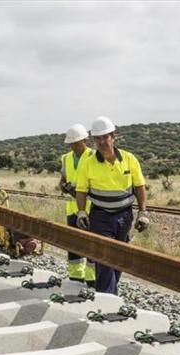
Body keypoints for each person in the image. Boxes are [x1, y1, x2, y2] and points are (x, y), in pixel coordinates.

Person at [75, 116, 149, 295]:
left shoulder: (129, 159)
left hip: (124, 216)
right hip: (100, 216)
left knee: (120, 256)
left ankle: (110, 291)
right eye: (98, 138)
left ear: (113, 137)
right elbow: (81, 190)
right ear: (94, 141)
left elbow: (139, 187)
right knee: (105, 256)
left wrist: (143, 212)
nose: (102, 142)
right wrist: (82, 212)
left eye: (105, 137)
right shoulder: (88, 163)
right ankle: (108, 298)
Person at [59, 124, 96, 285]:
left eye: (76, 143)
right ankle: (75, 279)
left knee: (90, 246)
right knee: (73, 245)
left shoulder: (94, 156)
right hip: (71, 209)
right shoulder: (66, 158)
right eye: (71, 144)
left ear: (85, 140)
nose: (73, 146)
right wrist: (65, 187)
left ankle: (92, 280)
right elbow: (62, 180)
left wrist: (81, 191)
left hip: (89, 209)